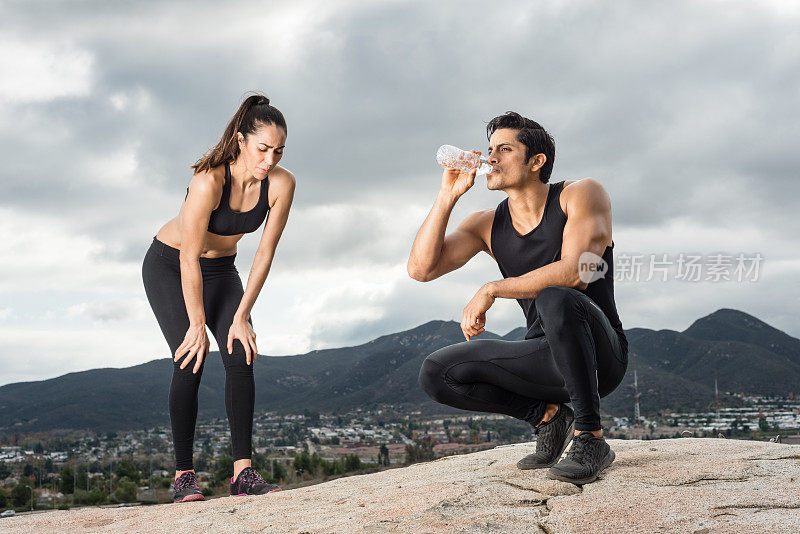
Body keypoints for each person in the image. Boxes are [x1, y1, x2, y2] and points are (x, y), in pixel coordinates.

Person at [409, 112, 628, 485]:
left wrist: (491, 288)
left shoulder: (581, 194)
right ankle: (548, 416)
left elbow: (578, 272)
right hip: (543, 360)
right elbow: (421, 269)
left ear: (536, 161)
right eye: (490, 150)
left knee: (555, 298)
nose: (490, 158)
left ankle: (590, 437)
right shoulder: (486, 223)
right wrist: (446, 197)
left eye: (504, 149)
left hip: (599, 357)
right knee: (437, 372)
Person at [142, 94, 295, 502]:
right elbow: (189, 257)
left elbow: (264, 253)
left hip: (223, 271)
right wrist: (196, 325)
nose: (270, 160)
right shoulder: (209, 181)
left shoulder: (280, 184)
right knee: (191, 358)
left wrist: (242, 316)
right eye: (263, 149)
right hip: (171, 265)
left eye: (278, 151)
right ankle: (183, 476)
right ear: (243, 141)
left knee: (240, 353)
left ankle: (241, 474)